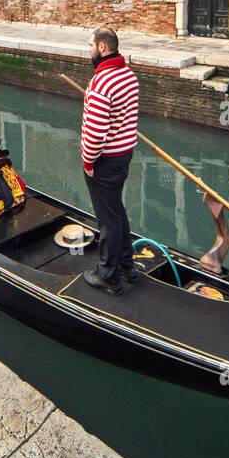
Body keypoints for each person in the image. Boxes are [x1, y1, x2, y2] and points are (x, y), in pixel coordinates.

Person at [81, 26, 140, 295]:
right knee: (117, 211)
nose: (89, 50)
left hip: (105, 161)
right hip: (124, 155)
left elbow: (95, 134)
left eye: (91, 45)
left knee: (107, 219)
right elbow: (119, 116)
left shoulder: (102, 82)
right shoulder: (129, 76)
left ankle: (108, 275)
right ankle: (127, 264)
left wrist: (88, 163)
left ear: (103, 47)